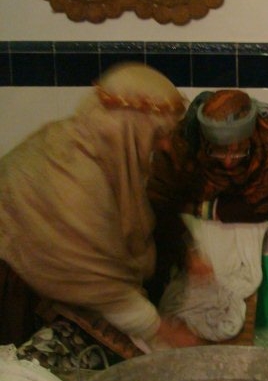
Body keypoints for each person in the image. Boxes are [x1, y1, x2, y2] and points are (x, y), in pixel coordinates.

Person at [0, 62, 205, 353]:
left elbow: (145, 213)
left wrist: (186, 251)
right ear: (128, 128)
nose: (165, 146)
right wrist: (161, 329)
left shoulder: (106, 153)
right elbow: (93, 281)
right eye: (158, 134)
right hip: (20, 291)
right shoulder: (74, 176)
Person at [146, 89, 268, 305]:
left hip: (244, 209)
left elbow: (261, 205)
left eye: (239, 151)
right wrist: (185, 255)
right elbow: (160, 199)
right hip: (198, 208)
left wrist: (197, 208)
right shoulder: (184, 138)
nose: (229, 162)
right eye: (219, 151)